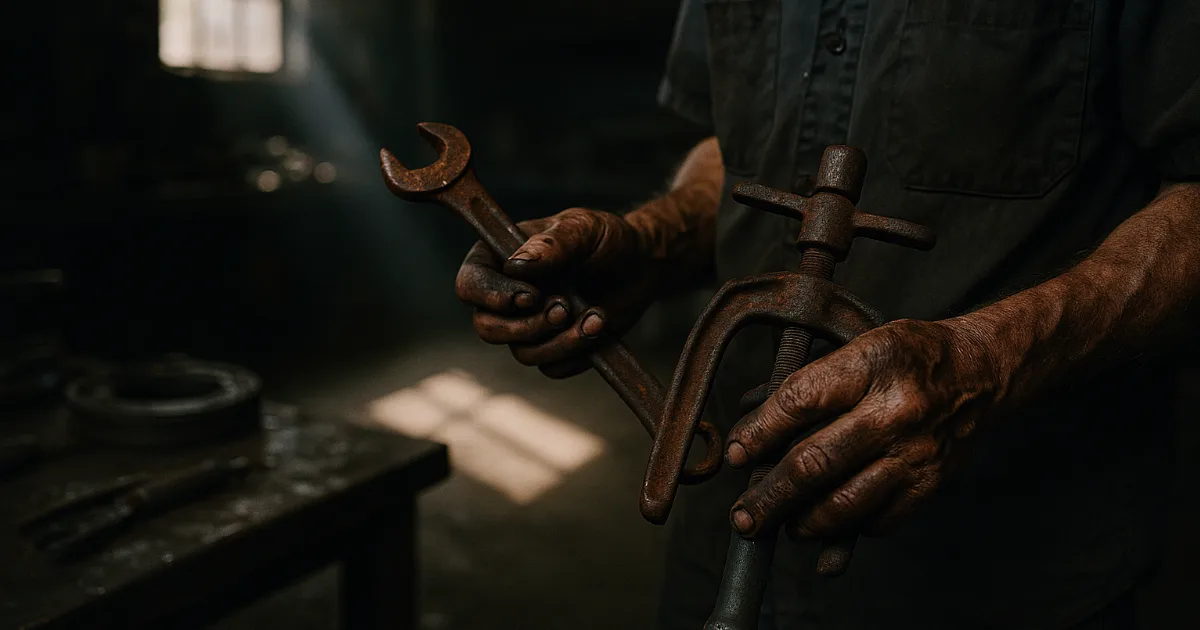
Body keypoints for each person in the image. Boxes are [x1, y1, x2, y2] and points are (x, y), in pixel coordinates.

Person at [453, 1, 1200, 628]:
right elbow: (734, 144)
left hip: (1007, 566)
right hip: (722, 530)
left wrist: (993, 360)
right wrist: (652, 240)